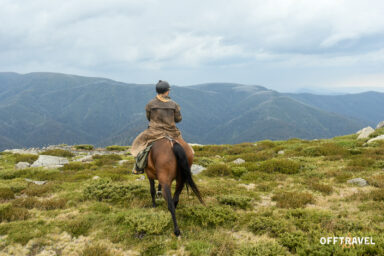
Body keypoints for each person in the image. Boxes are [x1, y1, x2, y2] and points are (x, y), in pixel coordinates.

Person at [130, 80, 191, 174]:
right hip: (171, 132)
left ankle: (138, 167)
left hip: (154, 132)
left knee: (140, 145)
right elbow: (178, 119)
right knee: (185, 148)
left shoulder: (150, 104)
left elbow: (148, 118)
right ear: (167, 91)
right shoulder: (174, 104)